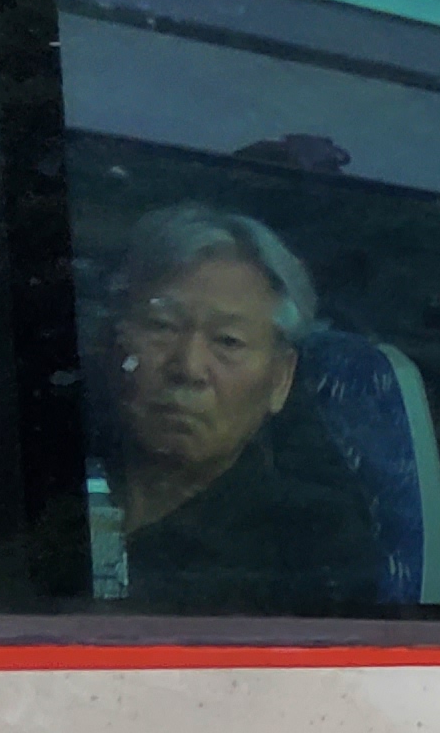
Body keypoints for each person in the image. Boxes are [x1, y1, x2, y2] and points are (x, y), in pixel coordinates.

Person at [86, 206, 381, 613]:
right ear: (112, 342)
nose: (188, 368)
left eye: (228, 341)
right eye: (162, 326)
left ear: (280, 379)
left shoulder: (309, 544)